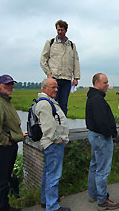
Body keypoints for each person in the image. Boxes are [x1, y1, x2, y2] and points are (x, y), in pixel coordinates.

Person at [0, 74, 27, 211]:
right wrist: (6, 142)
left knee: (4, 179)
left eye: (11, 84)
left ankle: (4, 206)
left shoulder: (5, 101)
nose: (10, 87)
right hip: (2, 148)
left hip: (9, 146)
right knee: (0, 181)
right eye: (7, 84)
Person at [86, 73, 119, 210]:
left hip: (95, 135)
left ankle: (93, 194)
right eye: (105, 82)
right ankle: (102, 200)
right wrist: (110, 133)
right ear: (97, 83)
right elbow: (101, 121)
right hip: (101, 137)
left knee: (94, 166)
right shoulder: (97, 99)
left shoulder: (94, 97)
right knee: (102, 169)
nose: (107, 85)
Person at [37, 78, 71, 211]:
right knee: (54, 175)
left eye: (56, 87)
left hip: (51, 143)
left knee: (48, 173)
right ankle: (52, 206)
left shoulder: (46, 102)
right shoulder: (45, 104)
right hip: (53, 144)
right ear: (44, 88)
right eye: (53, 87)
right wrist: (58, 139)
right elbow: (48, 128)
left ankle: (45, 201)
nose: (56, 90)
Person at [40, 19, 80, 116]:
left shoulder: (71, 45)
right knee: (53, 103)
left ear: (66, 30)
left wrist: (76, 77)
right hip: (54, 79)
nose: (60, 32)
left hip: (66, 79)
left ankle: (63, 126)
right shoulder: (50, 43)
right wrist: (49, 73)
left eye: (62, 30)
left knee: (63, 104)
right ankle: (52, 125)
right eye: (58, 30)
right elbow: (43, 59)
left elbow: (76, 61)